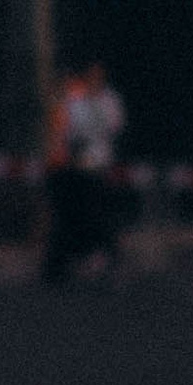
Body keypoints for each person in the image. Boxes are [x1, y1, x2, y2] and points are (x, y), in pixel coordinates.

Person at [42, 63, 128, 284]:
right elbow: (68, 130)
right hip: (73, 168)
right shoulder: (76, 100)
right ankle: (64, 265)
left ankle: (103, 260)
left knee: (98, 215)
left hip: (98, 167)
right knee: (73, 216)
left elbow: (114, 125)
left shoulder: (109, 100)